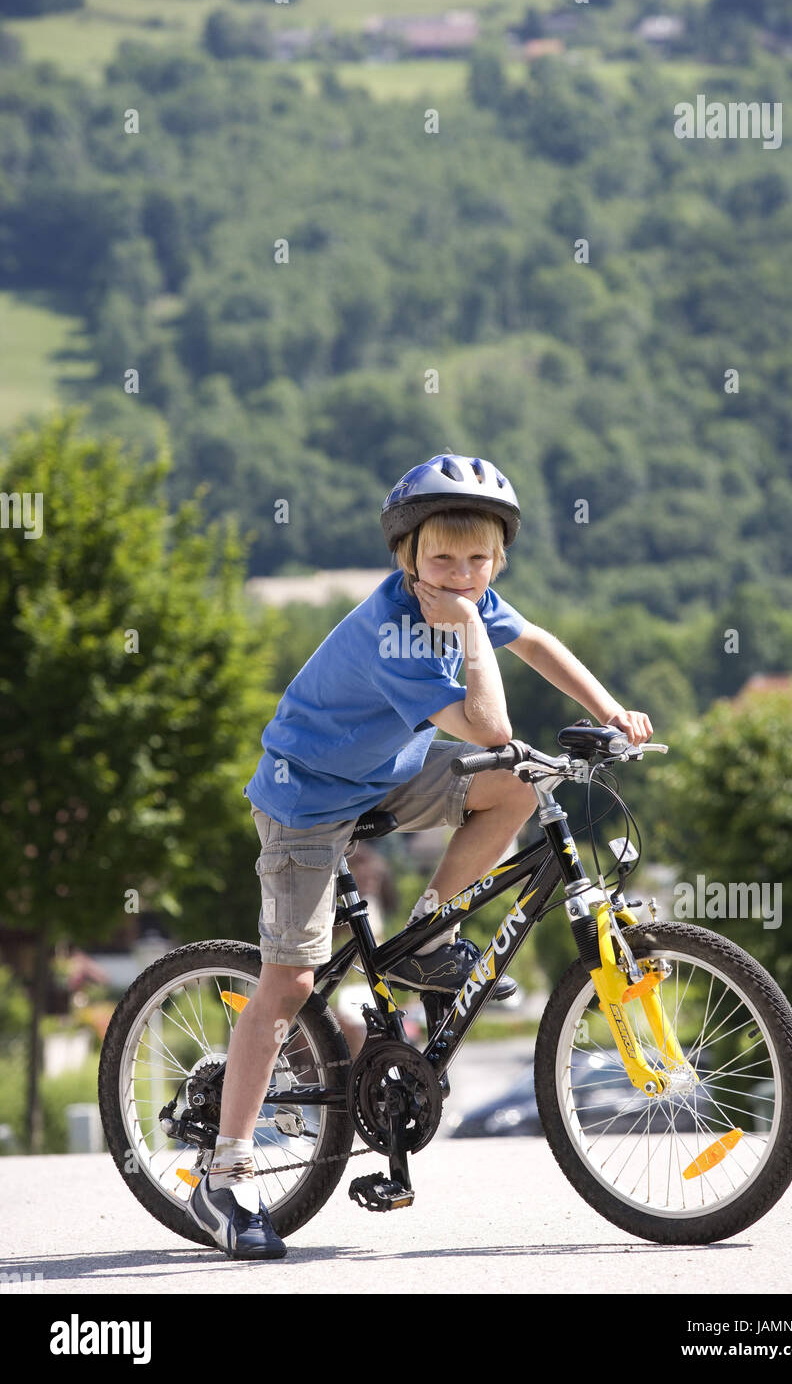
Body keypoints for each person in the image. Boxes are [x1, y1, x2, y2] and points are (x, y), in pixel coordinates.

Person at [188, 453, 652, 1258]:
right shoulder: (395, 631)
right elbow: (490, 725)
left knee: (512, 788)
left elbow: (535, 641)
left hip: (383, 771)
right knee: (292, 981)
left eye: (479, 560)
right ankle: (222, 1179)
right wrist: (471, 629)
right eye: (443, 558)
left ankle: (429, 940)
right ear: (408, 559)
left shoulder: (471, 592)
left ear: (498, 558)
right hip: (307, 796)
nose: (463, 574)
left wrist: (613, 711)